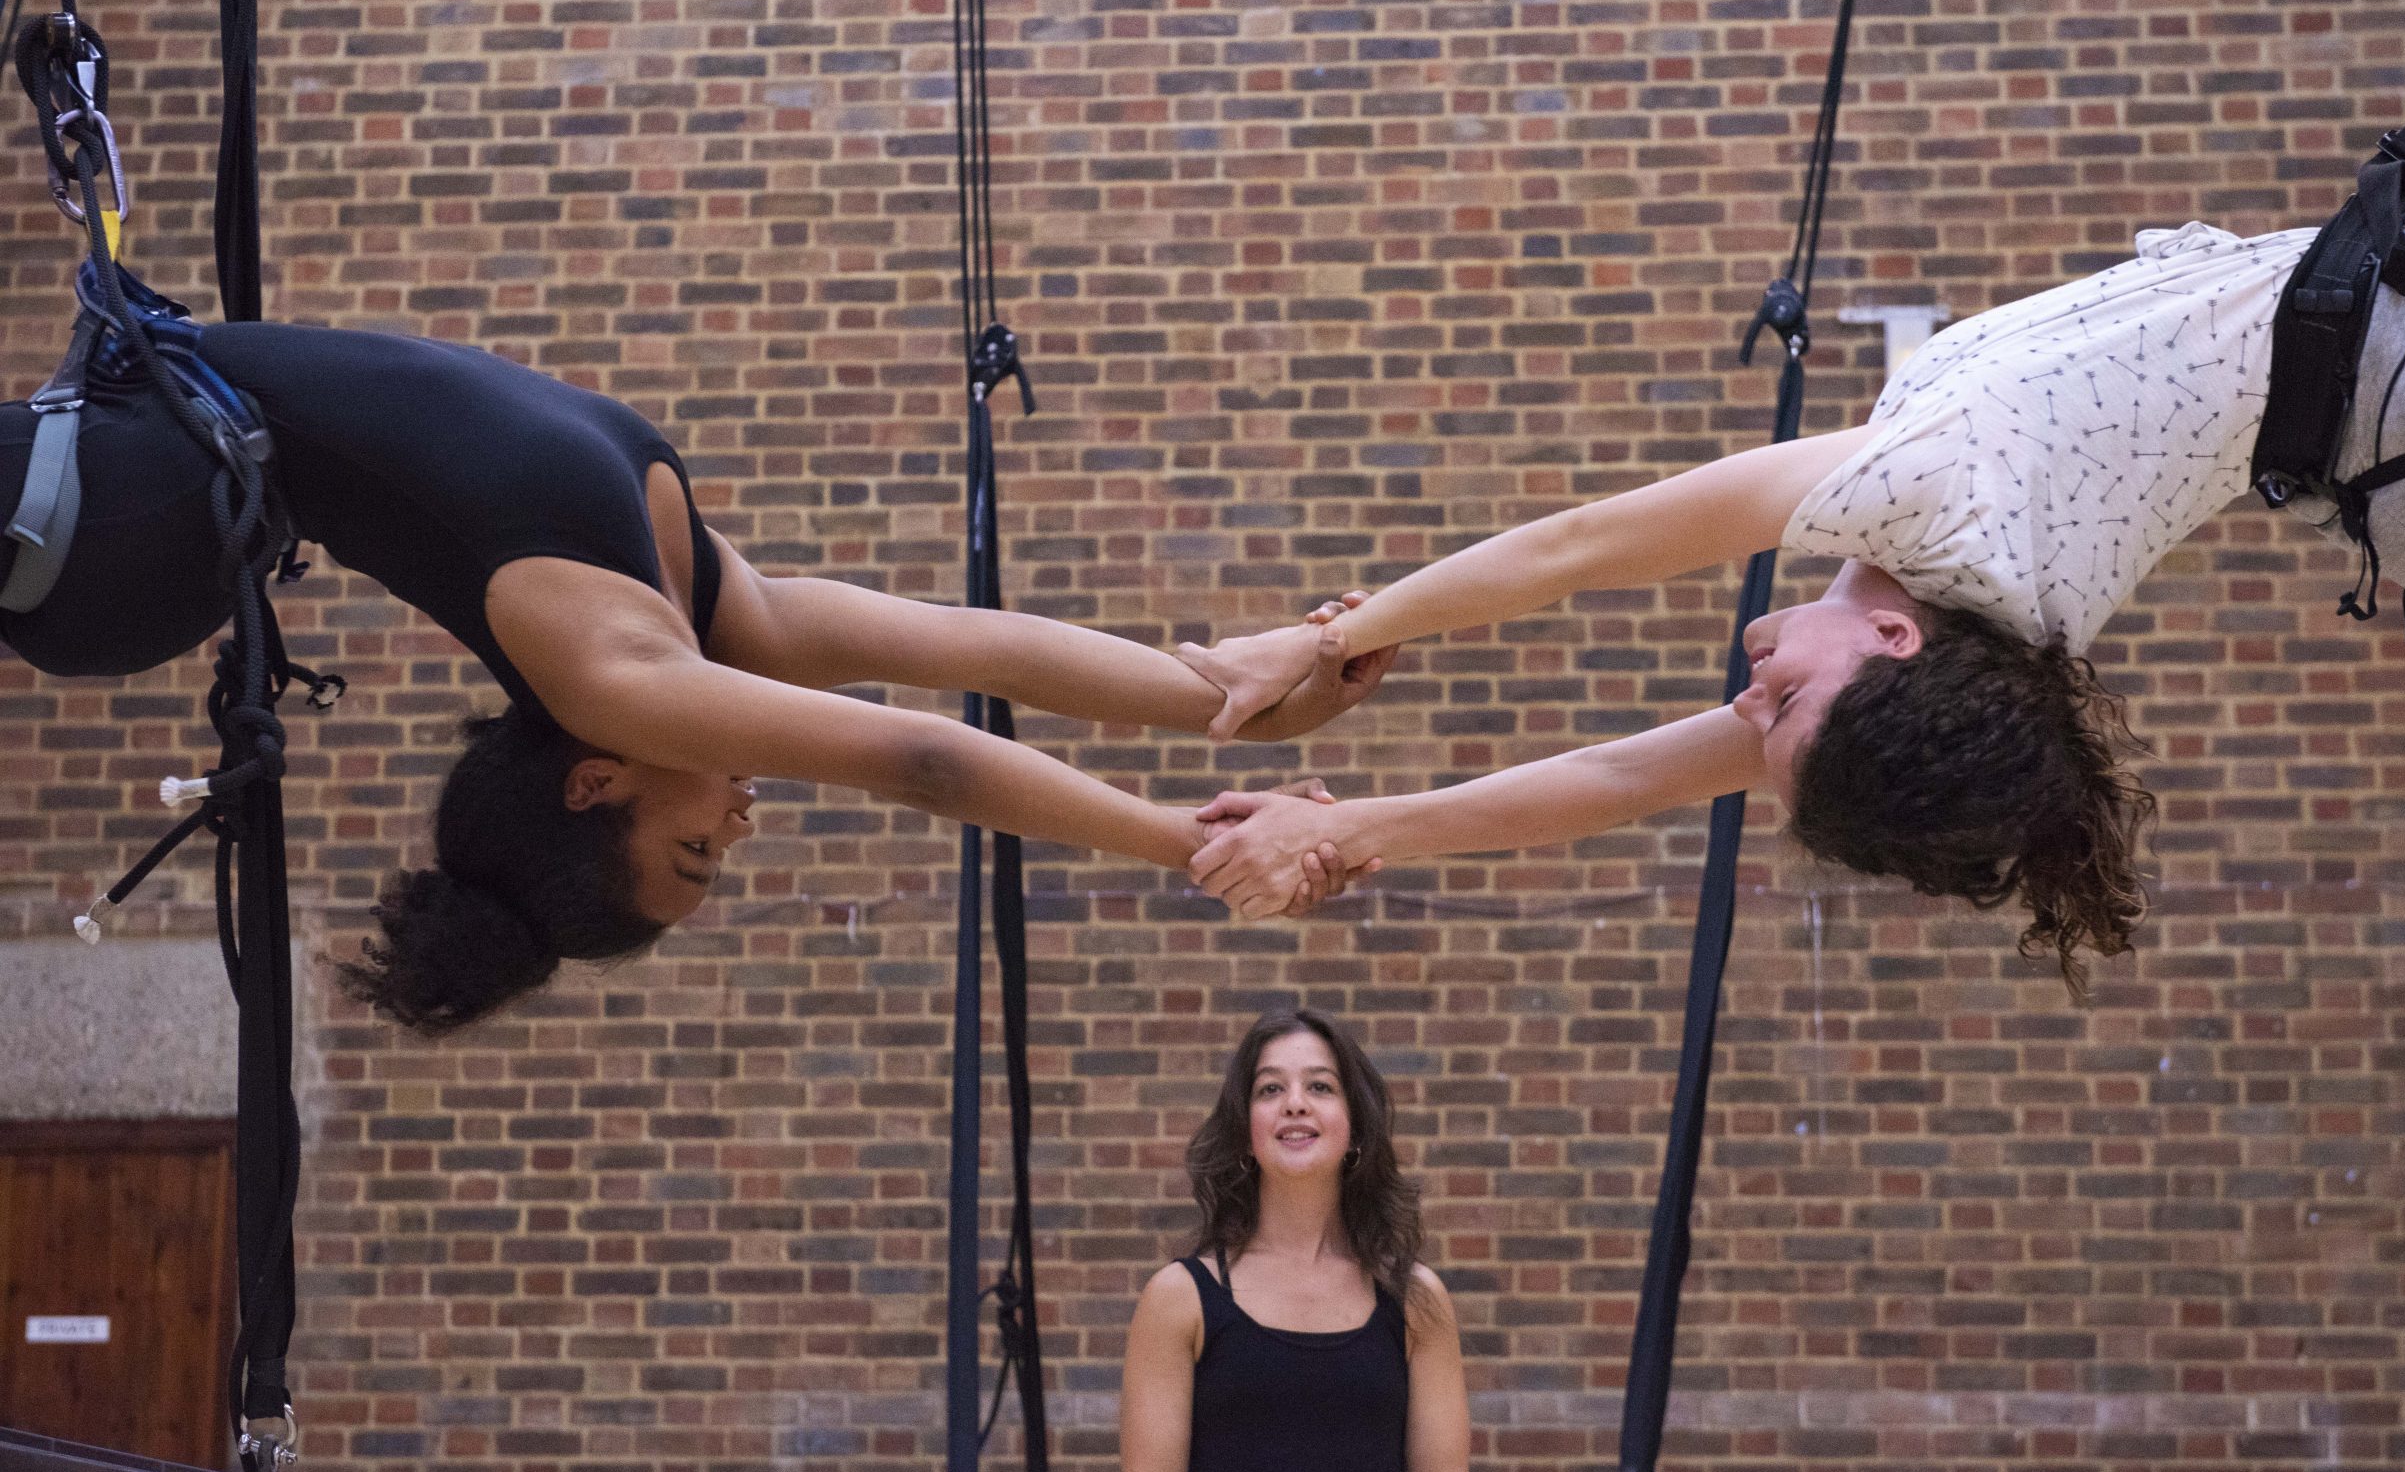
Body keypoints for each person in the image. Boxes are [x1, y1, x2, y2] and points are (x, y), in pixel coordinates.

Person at [1179, 196, 2405, 993]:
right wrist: (1330, 635)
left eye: (1759, 716)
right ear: (1891, 642)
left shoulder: (1991, 635)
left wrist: (1363, 823)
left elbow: (1611, 780)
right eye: (1777, 698)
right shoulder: (1935, 496)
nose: (1743, 691)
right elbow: (1582, 542)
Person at [0, 301, 1393, 1030]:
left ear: (595, 784)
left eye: (695, 856)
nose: (740, 822)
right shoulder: (689, 609)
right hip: (131, 485)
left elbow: (922, 753)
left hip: (110, 530)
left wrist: (1185, 844)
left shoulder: (615, 677)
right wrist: (1222, 696)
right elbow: (965, 643)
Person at [1119, 1007, 1469, 1472]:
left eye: (1321, 1087)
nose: (1295, 1104)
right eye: (1270, 1089)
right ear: (1245, 1130)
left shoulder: (1414, 1300)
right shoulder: (1179, 1300)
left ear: (1355, 1126)